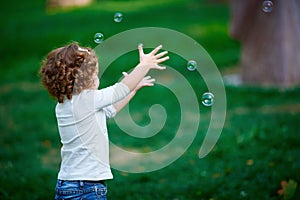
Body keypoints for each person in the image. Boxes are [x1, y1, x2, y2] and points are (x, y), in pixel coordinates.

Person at [39, 42, 169, 200]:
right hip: (85, 187)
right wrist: (144, 65)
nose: (97, 78)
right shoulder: (86, 100)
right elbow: (121, 89)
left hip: (68, 183)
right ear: (85, 78)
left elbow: (110, 109)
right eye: (95, 74)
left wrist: (133, 89)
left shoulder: (66, 104)